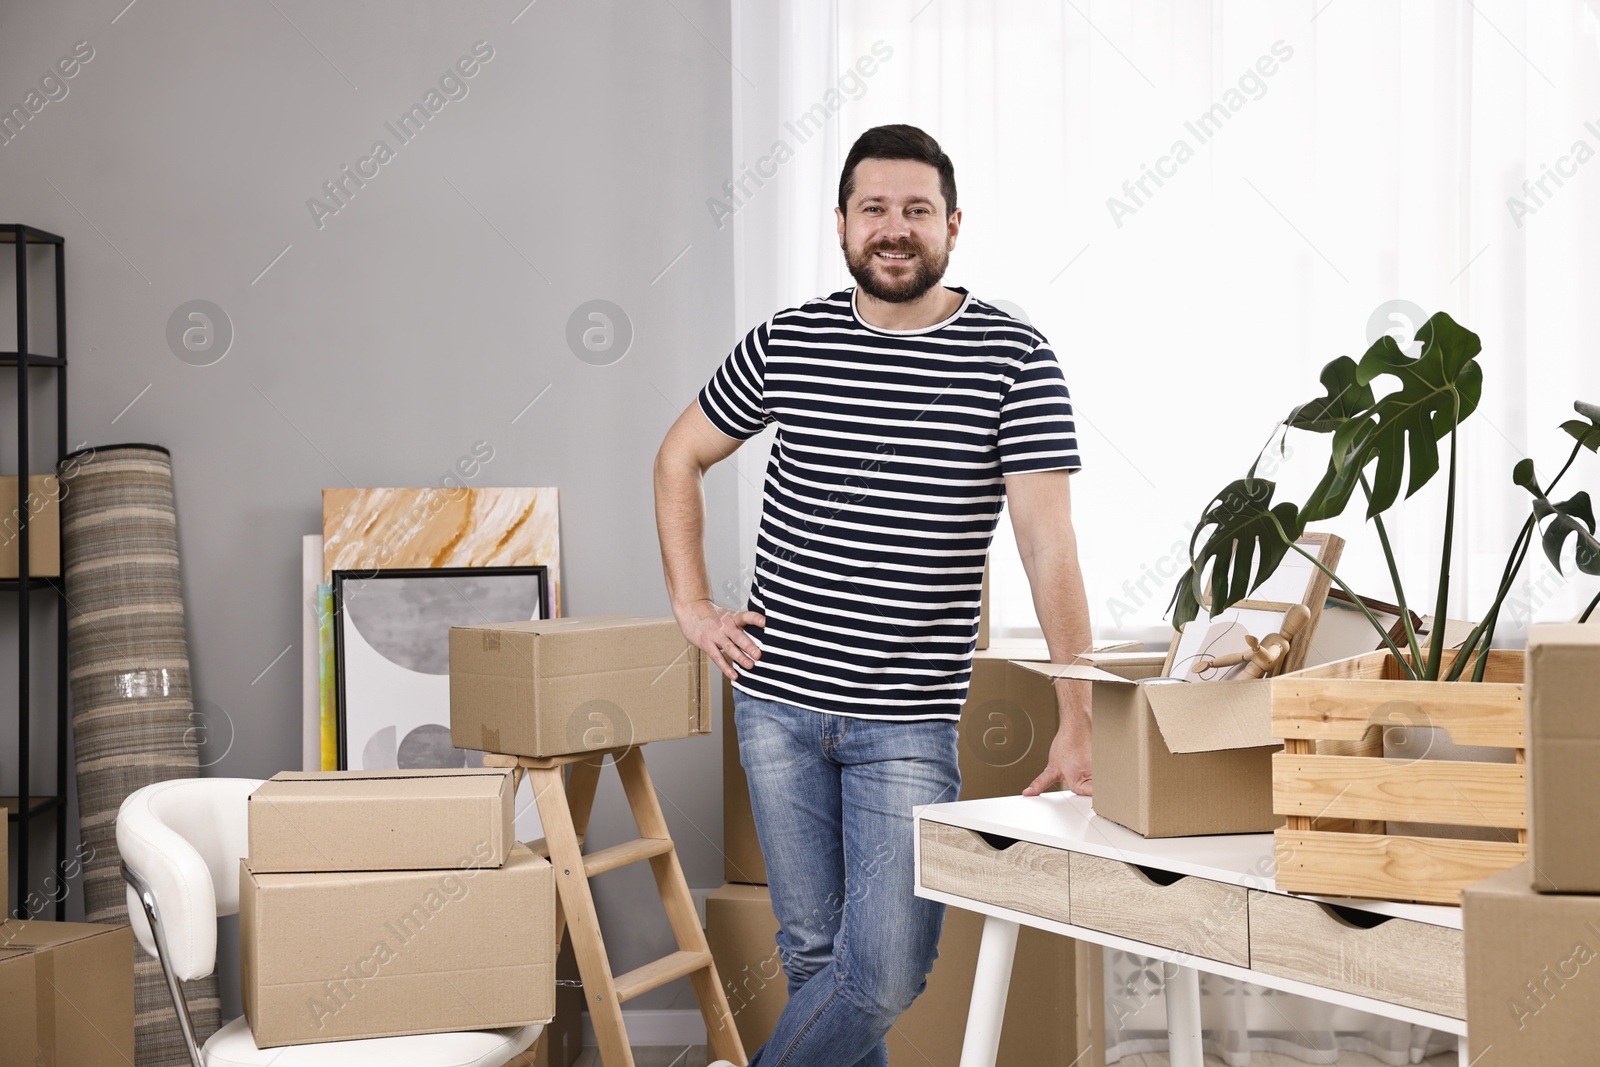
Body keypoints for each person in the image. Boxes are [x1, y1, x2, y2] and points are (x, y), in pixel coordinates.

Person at [654, 124, 1093, 1067]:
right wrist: (692, 605)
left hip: (906, 722)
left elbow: (1046, 543)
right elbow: (679, 454)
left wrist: (1076, 712)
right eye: (874, 209)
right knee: (815, 958)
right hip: (776, 703)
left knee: (884, 972)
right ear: (843, 225)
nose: (895, 229)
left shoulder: (1013, 357)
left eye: (917, 210)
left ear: (954, 225)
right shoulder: (791, 339)